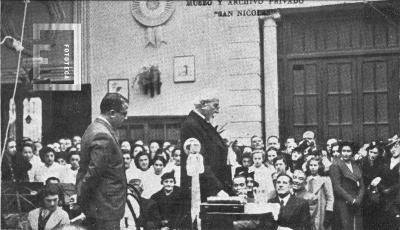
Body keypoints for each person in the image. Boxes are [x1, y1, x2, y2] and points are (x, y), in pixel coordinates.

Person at [76, 93, 129, 230]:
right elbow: (93, 173)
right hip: (105, 206)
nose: (126, 117)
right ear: (112, 113)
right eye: (124, 113)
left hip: (101, 204)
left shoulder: (94, 128)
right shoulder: (103, 134)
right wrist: (81, 196)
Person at [180, 92, 230, 205]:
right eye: (215, 106)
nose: (217, 111)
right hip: (203, 193)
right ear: (203, 104)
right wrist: (218, 190)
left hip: (212, 190)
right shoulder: (192, 125)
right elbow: (199, 162)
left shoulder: (203, 123)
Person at [329, 142, 364, 230]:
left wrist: (358, 199)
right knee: (346, 226)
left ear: (352, 152)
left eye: (348, 151)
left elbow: (362, 185)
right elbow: (337, 187)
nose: (346, 153)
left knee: (357, 226)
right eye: (343, 151)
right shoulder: (336, 165)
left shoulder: (356, 165)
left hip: (356, 201)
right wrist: (351, 200)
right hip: (343, 201)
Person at [305, 156, 334, 230]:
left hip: (320, 210)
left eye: (315, 165)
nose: (313, 167)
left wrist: (329, 212)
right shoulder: (306, 179)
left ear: (319, 166)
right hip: (308, 210)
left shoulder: (325, 179)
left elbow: (330, 197)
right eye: (311, 165)